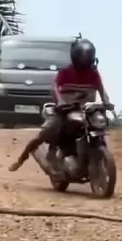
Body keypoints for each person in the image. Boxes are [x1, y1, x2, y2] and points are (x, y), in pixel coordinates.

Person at [8, 37, 112, 173]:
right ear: (75, 56)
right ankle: (22, 158)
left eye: (87, 57)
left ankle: (90, 155)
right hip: (65, 110)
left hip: (86, 111)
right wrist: (61, 101)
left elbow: (102, 90)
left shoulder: (93, 74)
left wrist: (106, 102)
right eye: (82, 57)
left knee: (99, 127)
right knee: (44, 133)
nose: (85, 60)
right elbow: (55, 86)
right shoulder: (66, 72)